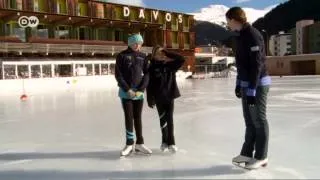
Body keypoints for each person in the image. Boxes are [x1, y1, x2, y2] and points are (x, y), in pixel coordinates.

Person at [225, 7, 271, 169]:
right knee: (249, 121)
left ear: (233, 19)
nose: (227, 24)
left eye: (227, 21)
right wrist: (239, 83)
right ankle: (246, 153)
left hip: (258, 84)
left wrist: (252, 89)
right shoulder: (240, 36)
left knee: (259, 119)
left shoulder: (252, 35)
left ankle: (261, 156)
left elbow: (256, 65)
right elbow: (242, 64)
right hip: (246, 84)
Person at [115, 33, 152, 157]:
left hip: (139, 93)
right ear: (130, 43)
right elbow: (118, 75)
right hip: (126, 93)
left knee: (138, 118)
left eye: (140, 43)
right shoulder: (121, 56)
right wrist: (127, 89)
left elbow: (147, 74)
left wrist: (141, 89)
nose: (138, 45)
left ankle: (140, 143)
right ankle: (129, 144)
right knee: (129, 117)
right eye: (136, 43)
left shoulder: (143, 56)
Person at [146, 46, 185, 153]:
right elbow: (149, 85)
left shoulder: (170, 65)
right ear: (153, 55)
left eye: (162, 53)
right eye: (158, 53)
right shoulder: (151, 67)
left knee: (170, 120)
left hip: (169, 96)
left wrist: (167, 52)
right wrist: (150, 99)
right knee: (162, 120)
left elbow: (181, 59)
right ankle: (164, 142)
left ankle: (172, 143)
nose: (160, 55)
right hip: (158, 97)